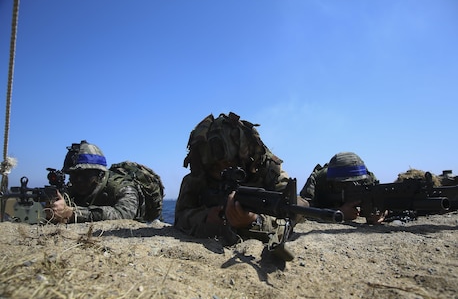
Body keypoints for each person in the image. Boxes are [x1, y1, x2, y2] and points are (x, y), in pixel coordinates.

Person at [174, 112, 308, 260]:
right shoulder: (198, 176)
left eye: (229, 164)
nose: (221, 172)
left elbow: (297, 208)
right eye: (214, 167)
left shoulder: (267, 169)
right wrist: (206, 218)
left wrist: (254, 221)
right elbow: (180, 216)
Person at [48, 140, 161, 223]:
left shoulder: (123, 188)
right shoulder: (73, 189)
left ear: (100, 173)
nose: (78, 180)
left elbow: (123, 215)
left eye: (85, 175)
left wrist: (73, 213)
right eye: (73, 175)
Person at [300, 152, 385, 224]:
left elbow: (385, 204)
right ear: (333, 182)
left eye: (357, 182)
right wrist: (338, 212)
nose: (352, 186)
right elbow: (302, 210)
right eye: (344, 184)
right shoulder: (318, 179)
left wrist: (380, 213)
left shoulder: (368, 179)